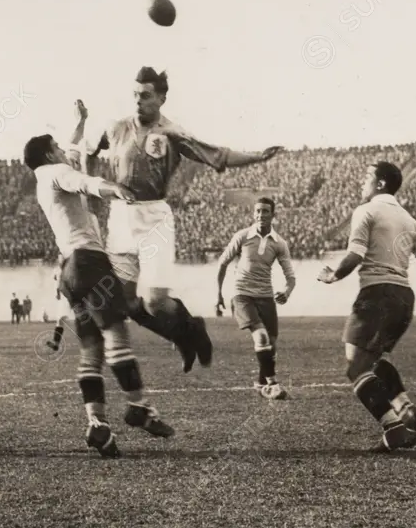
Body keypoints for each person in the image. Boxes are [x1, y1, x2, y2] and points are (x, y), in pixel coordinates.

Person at [82, 67, 285, 373]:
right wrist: (91, 188)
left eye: (146, 96)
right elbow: (89, 151)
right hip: (121, 217)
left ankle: (195, 331)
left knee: (154, 302)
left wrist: (257, 156)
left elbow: (216, 155)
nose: (139, 101)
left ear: (162, 98)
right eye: (135, 95)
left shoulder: (172, 133)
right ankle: (182, 336)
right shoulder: (117, 128)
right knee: (126, 302)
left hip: (154, 218)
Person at [26, 132, 174, 458]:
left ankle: (97, 424)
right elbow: (85, 181)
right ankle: (140, 406)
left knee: (92, 349)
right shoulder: (56, 173)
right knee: (116, 333)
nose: (63, 150)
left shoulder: (44, 180)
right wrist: (114, 189)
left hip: (69, 270)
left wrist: (79, 124)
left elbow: (77, 156)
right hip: (89, 262)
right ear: (50, 155)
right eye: (57, 147)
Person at [317, 161, 416, 452]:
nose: (362, 182)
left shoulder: (367, 211)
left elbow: (355, 255)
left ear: (380, 183)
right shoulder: (411, 221)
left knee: (356, 367)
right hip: (404, 299)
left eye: (365, 176)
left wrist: (333, 274)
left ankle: (393, 427)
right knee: (374, 361)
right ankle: (404, 407)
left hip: (377, 295)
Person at [216, 198, 296, 400]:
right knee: (261, 337)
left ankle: (261, 384)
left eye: (265, 211)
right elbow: (223, 263)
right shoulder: (242, 236)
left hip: (266, 297)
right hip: (242, 295)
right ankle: (273, 384)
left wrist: (286, 292)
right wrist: (218, 294)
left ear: (273, 215)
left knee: (272, 345)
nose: (261, 215)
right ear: (254, 214)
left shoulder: (279, 243)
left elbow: (291, 277)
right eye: (258, 211)